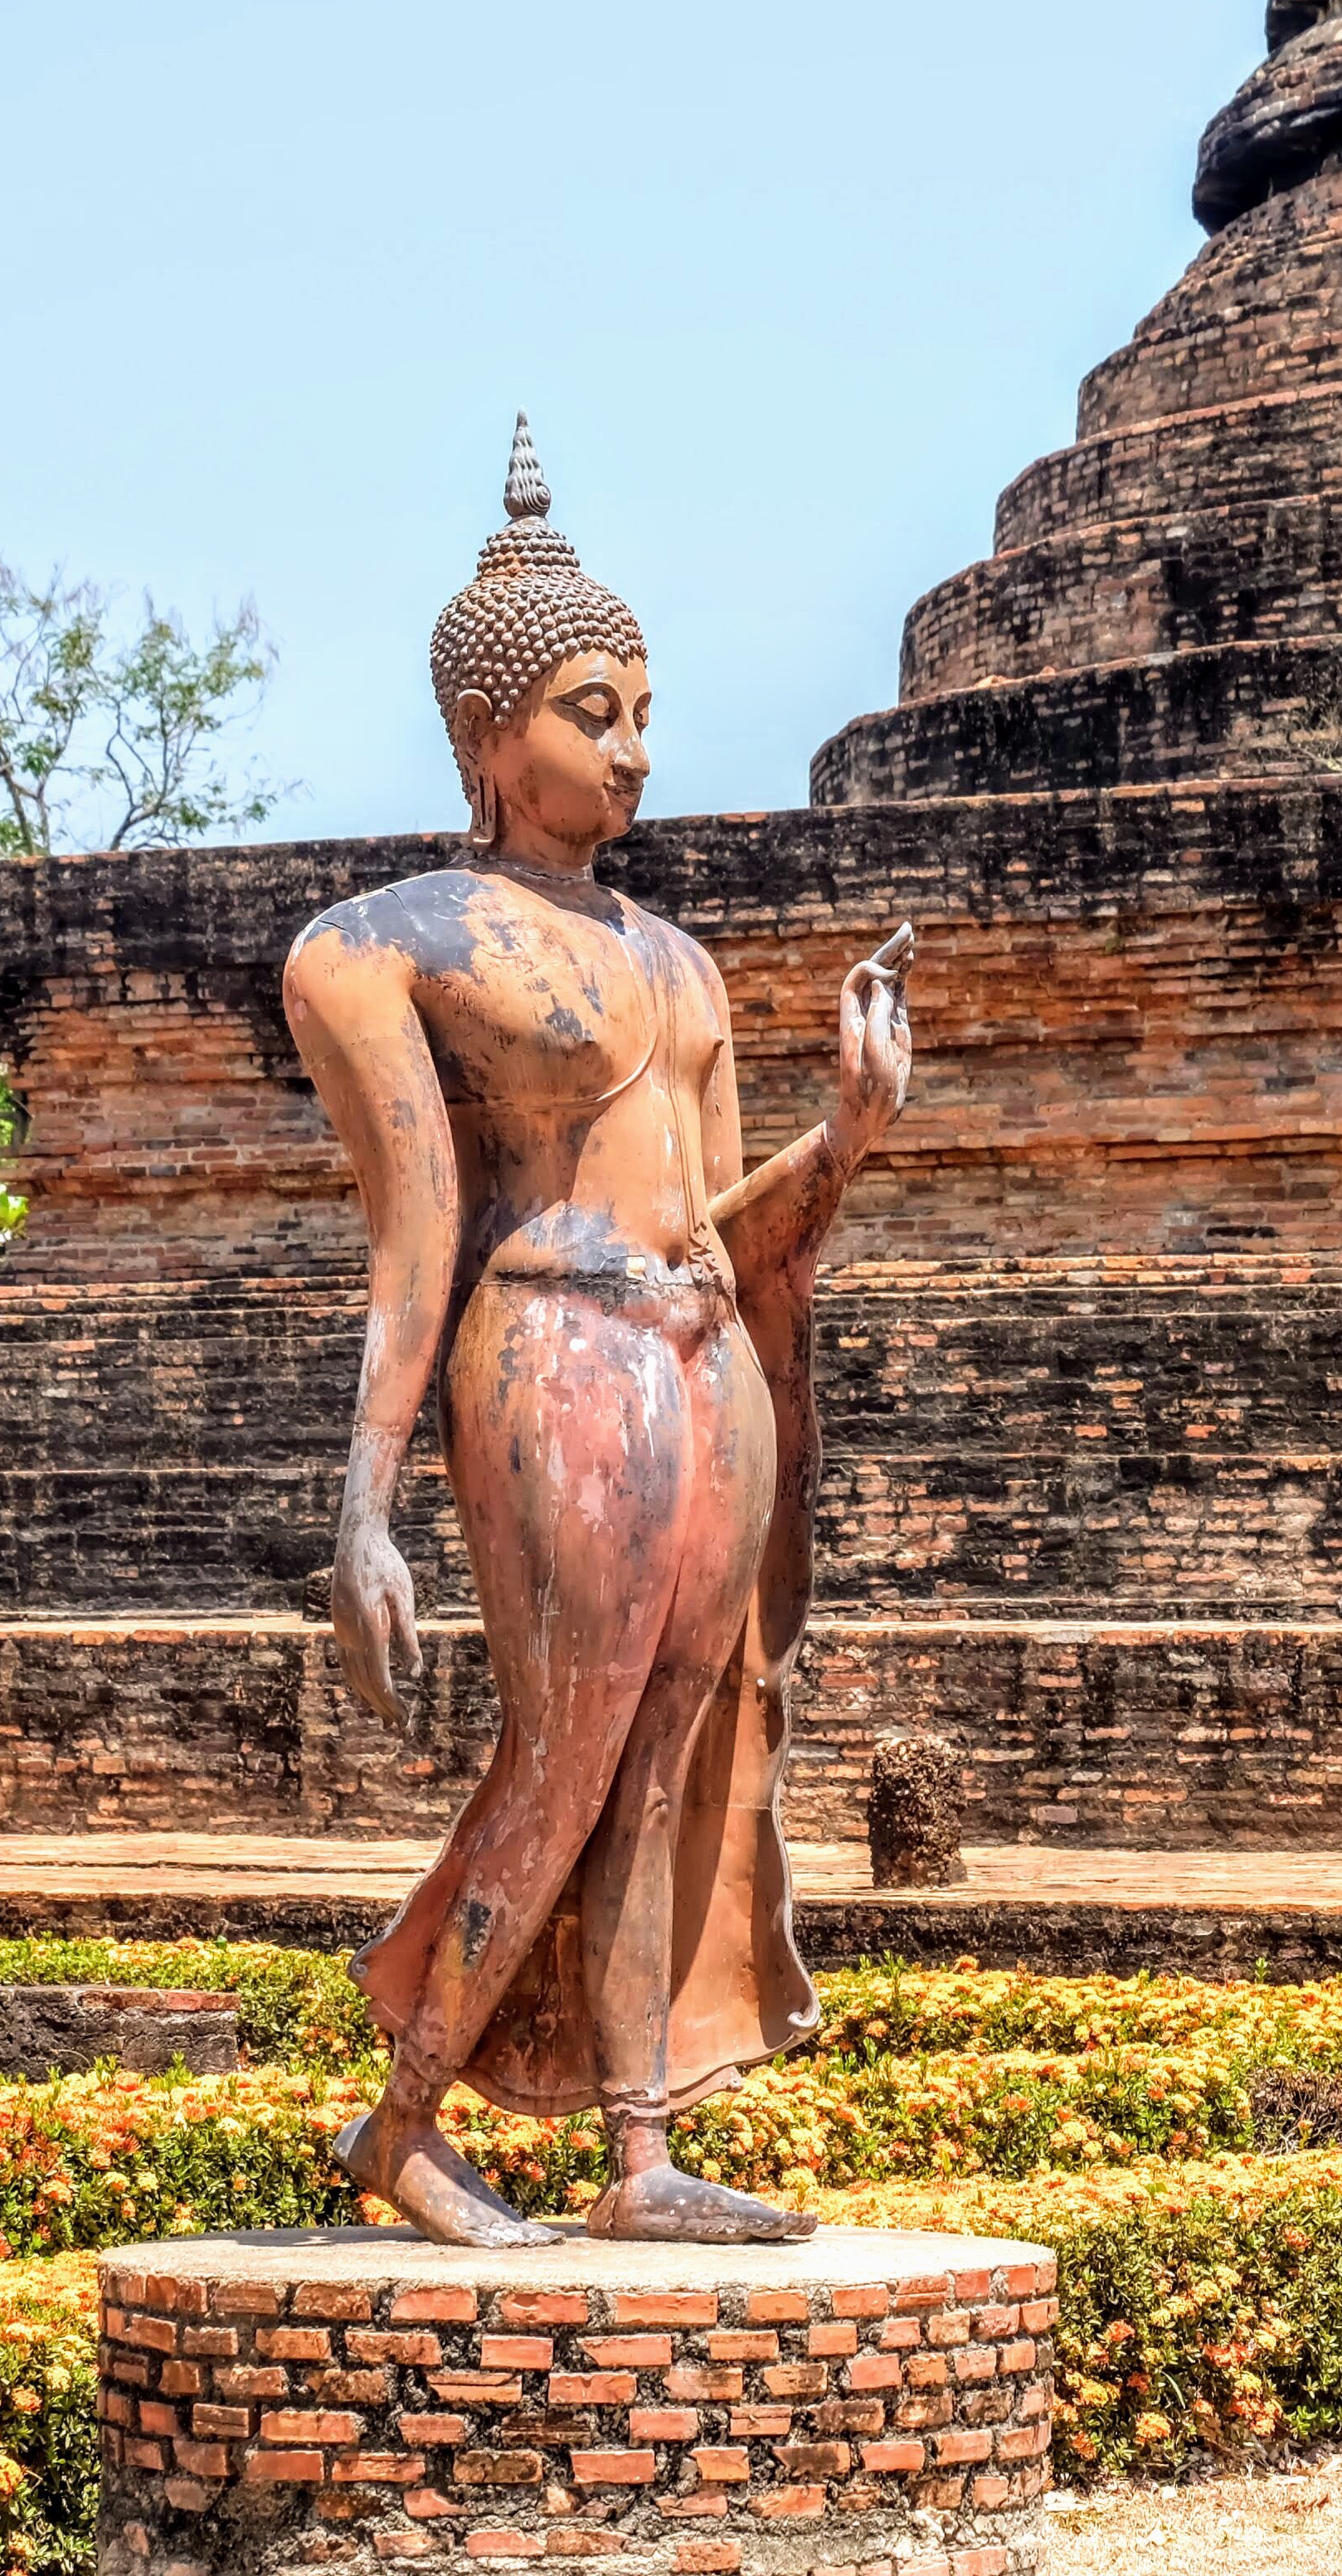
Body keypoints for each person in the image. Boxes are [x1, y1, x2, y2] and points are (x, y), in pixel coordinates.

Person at [283, 411, 913, 2247]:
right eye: (589, 709)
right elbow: (415, 1239)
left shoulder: (680, 960)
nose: (632, 748)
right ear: (489, 737)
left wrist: (849, 1130)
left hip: (700, 1354)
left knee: (672, 1757)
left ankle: (639, 2148)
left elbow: (734, 1228)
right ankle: (403, 2126)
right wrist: (362, 1506)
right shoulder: (392, 942)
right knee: (560, 1752)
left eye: (641, 707)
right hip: (548, 1343)